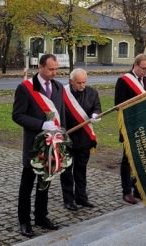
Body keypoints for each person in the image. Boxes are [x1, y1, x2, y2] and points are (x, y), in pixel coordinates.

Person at [12, 54, 65, 238]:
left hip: (52, 144)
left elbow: (62, 114)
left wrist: (62, 135)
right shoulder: (25, 88)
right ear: (40, 67)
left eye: (56, 69)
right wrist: (41, 124)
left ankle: (41, 216)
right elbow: (17, 115)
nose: (54, 73)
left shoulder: (58, 87)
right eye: (51, 69)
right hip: (34, 145)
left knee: (45, 183)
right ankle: (24, 221)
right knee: (27, 184)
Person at [60, 68, 102, 211]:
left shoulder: (92, 93)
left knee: (81, 169)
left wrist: (96, 115)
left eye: (84, 82)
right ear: (71, 81)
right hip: (67, 137)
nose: (81, 85)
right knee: (66, 171)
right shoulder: (62, 93)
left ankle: (81, 197)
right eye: (78, 83)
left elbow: (97, 108)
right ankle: (68, 199)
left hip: (84, 138)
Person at [114, 54, 146, 204]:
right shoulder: (123, 81)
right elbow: (119, 105)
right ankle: (126, 191)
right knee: (128, 159)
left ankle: (138, 188)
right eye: (143, 68)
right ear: (135, 65)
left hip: (144, 125)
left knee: (141, 158)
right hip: (130, 125)